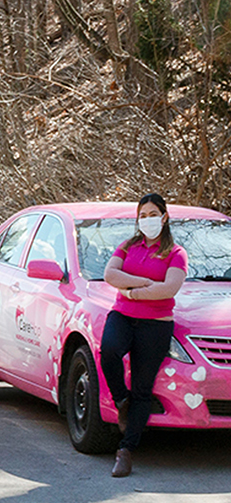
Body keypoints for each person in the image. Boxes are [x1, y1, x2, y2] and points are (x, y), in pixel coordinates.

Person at [100, 193, 189, 478]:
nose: (147, 220)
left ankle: (125, 451)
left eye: (153, 214)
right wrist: (145, 283)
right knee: (110, 351)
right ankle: (121, 401)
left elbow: (169, 288)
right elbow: (110, 274)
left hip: (156, 324)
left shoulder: (176, 253)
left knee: (142, 388)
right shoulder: (128, 245)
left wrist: (133, 292)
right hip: (123, 315)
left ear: (164, 217)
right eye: (143, 215)